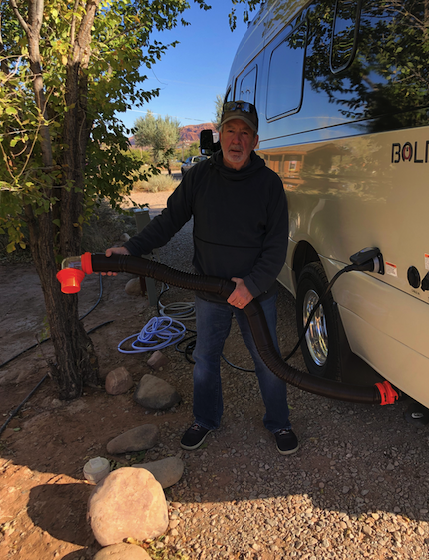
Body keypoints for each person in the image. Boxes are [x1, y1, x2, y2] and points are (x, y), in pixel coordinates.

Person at [105, 100, 298, 455]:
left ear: (255, 141)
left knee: (268, 362)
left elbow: (275, 246)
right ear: (219, 136)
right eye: (230, 131)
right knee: (206, 358)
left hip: (256, 294)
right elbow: (168, 221)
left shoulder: (269, 184)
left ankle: (279, 422)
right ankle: (205, 419)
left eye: (244, 133)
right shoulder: (199, 178)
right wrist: (130, 250)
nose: (236, 140)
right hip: (210, 293)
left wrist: (251, 285)